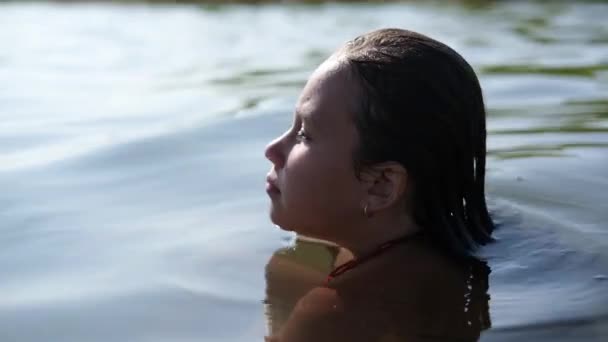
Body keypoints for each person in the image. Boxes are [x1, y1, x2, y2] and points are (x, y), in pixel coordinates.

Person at [263, 28, 494, 342]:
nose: (272, 149)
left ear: (382, 186)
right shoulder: (450, 248)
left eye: (304, 134)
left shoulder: (336, 312)